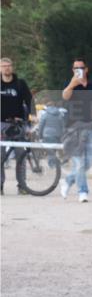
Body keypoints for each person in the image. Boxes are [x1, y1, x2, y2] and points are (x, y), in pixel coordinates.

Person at [60, 58, 92, 203]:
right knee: (79, 163)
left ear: (86, 69)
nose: (78, 70)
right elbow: (65, 96)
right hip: (74, 128)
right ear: (72, 70)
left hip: (91, 127)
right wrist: (72, 84)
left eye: (81, 67)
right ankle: (83, 191)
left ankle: (68, 180)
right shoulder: (71, 86)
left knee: (89, 162)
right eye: (75, 68)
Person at [0, 57, 34, 195]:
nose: (7, 68)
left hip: (18, 123)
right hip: (1, 124)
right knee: (0, 155)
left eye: (9, 65)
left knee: (21, 154)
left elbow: (30, 100)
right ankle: (0, 185)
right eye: (4, 66)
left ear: (12, 67)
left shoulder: (20, 84)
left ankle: (22, 185)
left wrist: (33, 115)